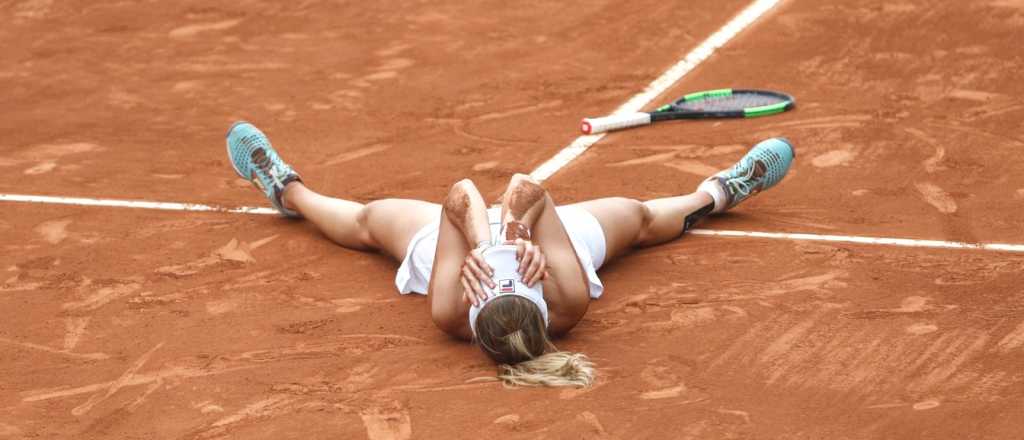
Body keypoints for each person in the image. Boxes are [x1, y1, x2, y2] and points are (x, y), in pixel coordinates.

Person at [225, 122, 794, 387]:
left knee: (371, 223)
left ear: (471, 314)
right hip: (549, 234)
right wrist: (519, 234)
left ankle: (284, 187)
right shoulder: (567, 301)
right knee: (640, 218)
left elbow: (461, 195)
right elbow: (527, 186)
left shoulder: (450, 310)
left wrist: (478, 245)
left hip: (455, 235)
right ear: (542, 300)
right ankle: (721, 191)